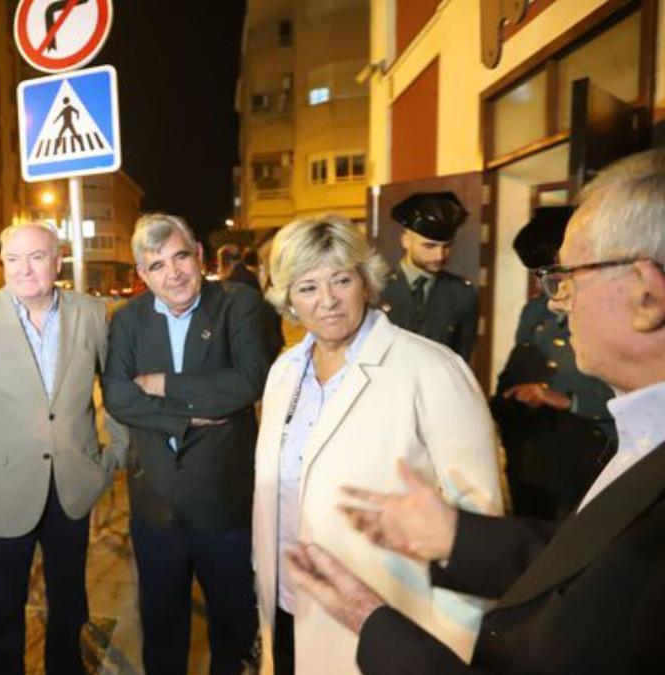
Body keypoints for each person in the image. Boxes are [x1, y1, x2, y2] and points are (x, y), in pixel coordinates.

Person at [285, 148, 665, 674]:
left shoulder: (438, 362)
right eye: (306, 287)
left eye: (568, 277)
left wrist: (373, 620)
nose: (556, 301)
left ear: (646, 294)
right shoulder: (643, 437)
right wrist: (458, 538)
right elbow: (589, 570)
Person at [253, 215, 503, 675]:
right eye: (307, 287)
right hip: (290, 608)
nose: (327, 301)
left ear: (365, 282)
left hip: (390, 627)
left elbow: (479, 527)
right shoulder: (283, 372)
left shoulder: (431, 370)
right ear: (287, 298)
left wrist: (449, 649)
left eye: (341, 280)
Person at [0, 221, 125, 675]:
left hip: (73, 485)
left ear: (57, 261)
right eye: (13, 259)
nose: (24, 269)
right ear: (1, 264)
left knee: (69, 600)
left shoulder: (92, 313)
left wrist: (111, 457)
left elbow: (116, 389)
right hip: (1, 488)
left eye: (37, 257)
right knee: (1, 608)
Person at [102, 213, 276, 675]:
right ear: (142, 274)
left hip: (224, 504)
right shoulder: (128, 321)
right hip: (155, 505)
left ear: (199, 255)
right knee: (161, 630)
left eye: (180, 257)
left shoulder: (238, 304)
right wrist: (189, 413)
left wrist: (161, 383)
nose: (173, 273)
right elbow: (118, 397)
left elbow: (247, 382)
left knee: (233, 631)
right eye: (156, 265)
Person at [493, 206, 614, 520]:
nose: (544, 287)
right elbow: (516, 369)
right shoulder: (535, 312)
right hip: (531, 456)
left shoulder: (611, 314)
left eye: (550, 273)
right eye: (537, 275)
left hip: (585, 458)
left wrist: (566, 400)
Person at [379, 192, 479, 361]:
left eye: (447, 246)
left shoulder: (462, 294)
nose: (440, 256)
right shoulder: (376, 289)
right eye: (429, 246)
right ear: (406, 241)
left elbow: (461, 361)